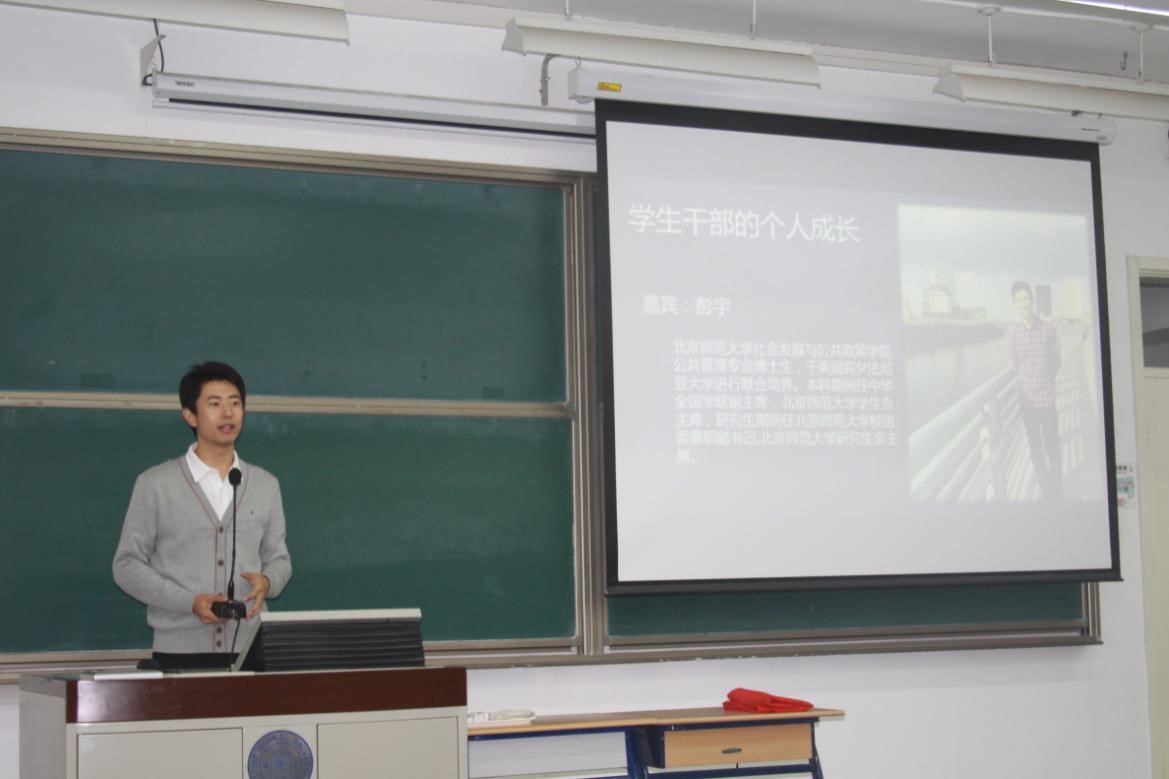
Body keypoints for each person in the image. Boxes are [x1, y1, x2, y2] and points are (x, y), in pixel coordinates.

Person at [113, 361, 292, 670]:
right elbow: (126, 565)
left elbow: (280, 559)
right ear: (190, 415)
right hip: (179, 654)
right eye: (215, 404)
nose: (228, 413)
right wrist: (189, 603)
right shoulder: (155, 484)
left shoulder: (265, 485)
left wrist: (268, 581)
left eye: (235, 403)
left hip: (251, 652)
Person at [1007, 281, 1062, 499]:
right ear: (1015, 305)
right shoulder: (1013, 334)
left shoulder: (1047, 329)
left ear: (1032, 300)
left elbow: (1056, 360)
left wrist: (1046, 380)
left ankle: (1057, 492)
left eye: (1026, 298)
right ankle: (1047, 493)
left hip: (1047, 400)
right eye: (1019, 300)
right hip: (1027, 403)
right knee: (1036, 450)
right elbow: (1015, 365)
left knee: (1052, 448)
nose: (1024, 304)